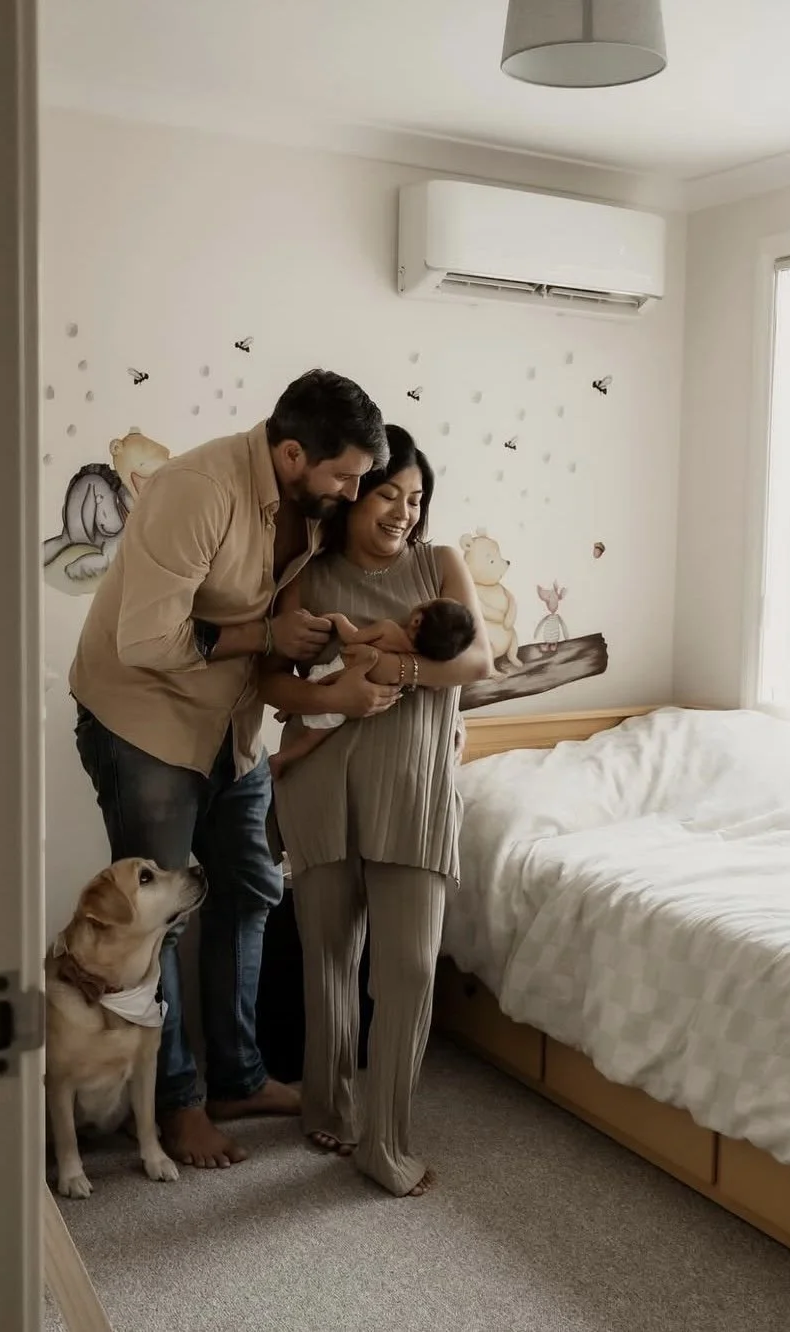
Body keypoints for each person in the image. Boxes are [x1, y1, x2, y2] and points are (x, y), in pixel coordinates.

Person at [69, 369, 403, 1170]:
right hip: (144, 720)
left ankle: (239, 1076)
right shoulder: (197, 490)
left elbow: (291, 615)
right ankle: (177, 1103)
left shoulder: (314, 510)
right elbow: (145, 643)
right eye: (347, 475)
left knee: (250, 888)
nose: (360, 490)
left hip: (232, 727)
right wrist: (264, 639)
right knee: (161, 916)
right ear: (291, 452)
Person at [261, 425, 493, 1196]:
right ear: (357, 493)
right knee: (329, 960)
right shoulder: (310, 572)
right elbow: (273, 683)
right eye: (390, 493)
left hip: (414, 793)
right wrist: (337, 694)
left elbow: (476, 661)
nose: (403, 511)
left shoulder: (440, 564)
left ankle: (386, 1140)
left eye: (416, 498)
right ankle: (328, 1103)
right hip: (321, 789)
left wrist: (394, 665)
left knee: (410, 970)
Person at [267, 599, 477, 779]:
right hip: (351, 701)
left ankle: (288, 709)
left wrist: (338, 618)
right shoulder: (421, 663)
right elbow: (437, 685)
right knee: (314, 737)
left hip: (340, 670)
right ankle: (281, 759)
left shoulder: (389, 629)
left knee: (315, 687)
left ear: (416, 620)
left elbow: (353, 638)